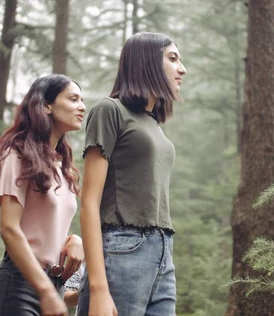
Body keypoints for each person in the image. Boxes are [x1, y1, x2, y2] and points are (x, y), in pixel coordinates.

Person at [78, 32, 187, 316]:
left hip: (163, 251)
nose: (182, 68)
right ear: (148, 62)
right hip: (122, 247)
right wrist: (98, 288)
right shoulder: (109, 110)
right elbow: (89, 202)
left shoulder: (152, 124)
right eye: (173, 58)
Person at [0, 74, 86, 316]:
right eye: (73, 99)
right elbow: (9, 228)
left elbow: (43, 226)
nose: (82, 106)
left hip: (52, 288)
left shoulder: (64, 167)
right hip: (17, 288)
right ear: (46, 105)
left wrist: (73, 240)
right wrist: (45, 291)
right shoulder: (17, 153)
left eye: (82, 100)